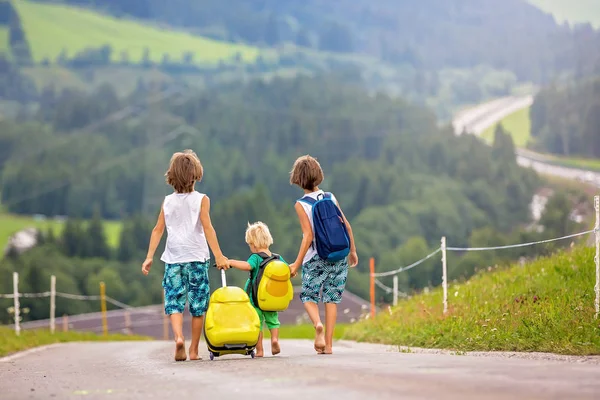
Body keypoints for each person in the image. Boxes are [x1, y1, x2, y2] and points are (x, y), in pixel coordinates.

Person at [142, 149, 229, 362]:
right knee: (198, 306)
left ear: (172, 176)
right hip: (197, 257)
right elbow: (208, 228)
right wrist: (219, 255)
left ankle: (179, 337)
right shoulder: (202, 200)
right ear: (195, 175)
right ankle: (193, 351)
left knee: (174, 302)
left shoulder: (167, 202)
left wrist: (149, 256)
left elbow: (157, 230)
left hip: (173, 258)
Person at [288, 155, 358, 355]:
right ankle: (328, 346)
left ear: (298, 179)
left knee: (309, 296)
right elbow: (347, 225)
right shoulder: (330, 197)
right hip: (338, 255)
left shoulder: (301, 204)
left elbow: (308, 236)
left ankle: (317, 324)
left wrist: (297, 263)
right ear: (318, 175)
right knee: (332, 299)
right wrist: (352, 251)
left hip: (316, 258)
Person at [227, 222, 284, 357]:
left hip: (256, 298)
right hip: (272, 298)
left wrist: (231, 262)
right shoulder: (277, 258)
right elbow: (287, 270)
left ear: (254, 243)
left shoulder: (256, 258)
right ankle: (274, 339)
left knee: (257, 323)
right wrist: (293, 270)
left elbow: (247, 266)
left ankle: (260, 350)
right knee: (273, 320)